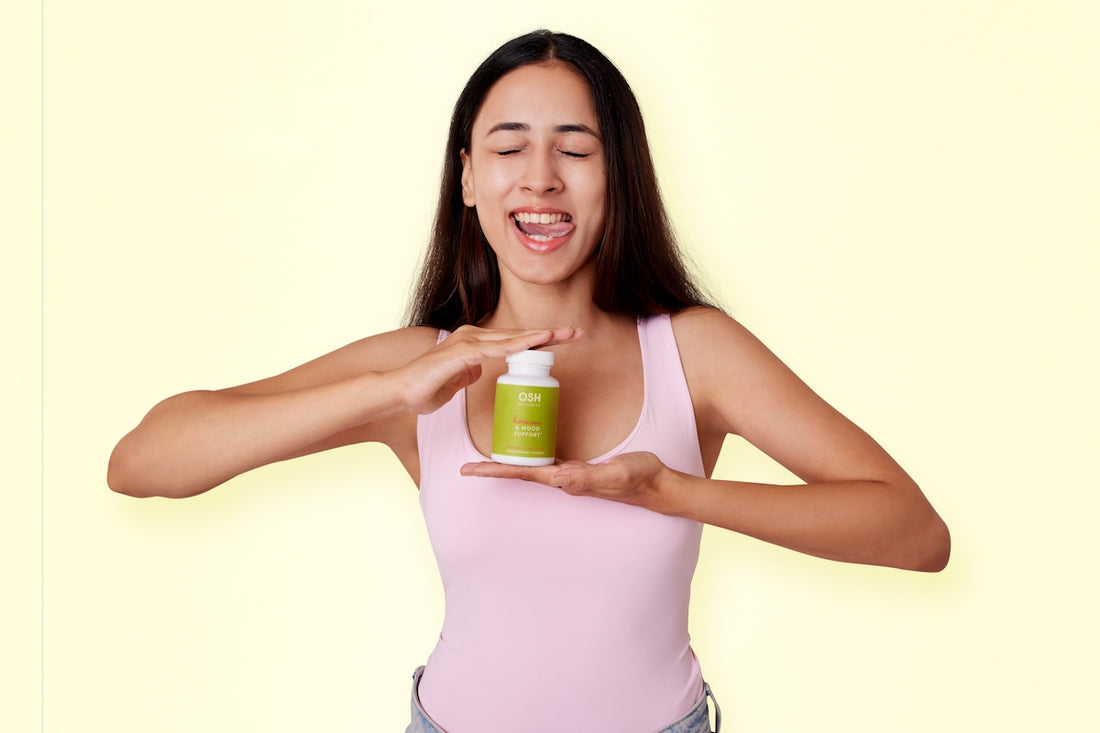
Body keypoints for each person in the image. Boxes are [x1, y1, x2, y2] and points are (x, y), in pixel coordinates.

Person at [108, 29, 950, 733]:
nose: (540, 177)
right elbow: (143, 462)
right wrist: (388, 392)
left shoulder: (693, 353)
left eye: (575, 149)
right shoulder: (422, 368)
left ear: (618, 176)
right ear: (469, 177)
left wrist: (671, 490)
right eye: (508, 147)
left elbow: (915, 534)